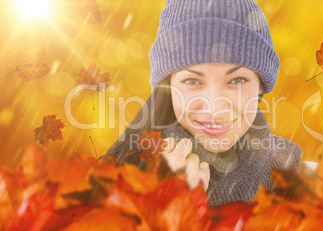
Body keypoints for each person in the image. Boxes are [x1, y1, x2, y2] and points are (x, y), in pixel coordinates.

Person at [100, 0, 303, 208]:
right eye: (192, 81)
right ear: (168, 86)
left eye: (237, 80)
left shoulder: (310, 189)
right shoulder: (105, 187)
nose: (214, 108)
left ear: (260, 84)